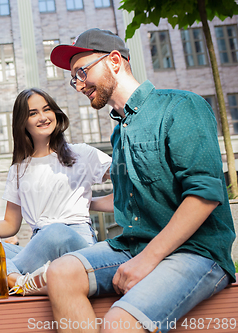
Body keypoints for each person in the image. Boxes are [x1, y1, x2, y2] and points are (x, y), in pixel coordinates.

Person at [43, 28, 236, 333]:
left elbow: (205, 195)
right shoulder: (120, 132)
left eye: (82, 71)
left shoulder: (181, 106)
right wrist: (81, 204)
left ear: (115, 61)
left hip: (196, 251)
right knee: (61, 272)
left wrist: (149, 258)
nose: (78, 85)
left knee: (119, 323)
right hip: (133, 245)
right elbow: (125, 198)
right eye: (73, 78)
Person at [0, 88, 113, 295]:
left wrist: (90, 202)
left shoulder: (81, 153)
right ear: (23, 122)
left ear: (56, 113)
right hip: (35, 251)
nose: (43, 117)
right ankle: (18, 280)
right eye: (33, 113)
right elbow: (10, 225)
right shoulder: (18, 170)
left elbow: (130, 188)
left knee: (55, 231)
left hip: (74, 243)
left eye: (47, 110)